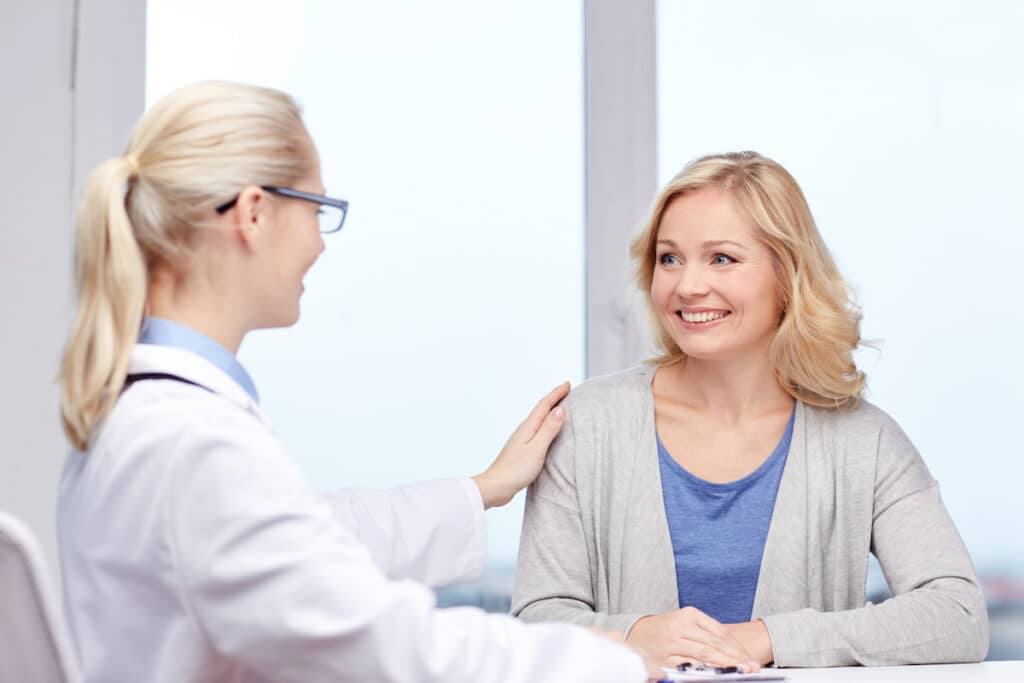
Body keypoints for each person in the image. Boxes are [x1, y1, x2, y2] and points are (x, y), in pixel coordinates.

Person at [56, 81, 651, 683]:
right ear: (254, 212)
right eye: (317, 209)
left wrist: (484, 488)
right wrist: (607, 660)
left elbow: (310, 538)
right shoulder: (195, 443)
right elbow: (384, 645)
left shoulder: (146, 419)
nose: (318, 240)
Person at [511, 151, 989, 669]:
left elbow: (958, 616)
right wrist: (635, 635)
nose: (687, 285)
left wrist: (770, 638)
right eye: (669, 258)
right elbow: (536, 619)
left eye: (722, 258)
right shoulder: (587, 424)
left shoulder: (862, 441)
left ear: (787, 276)